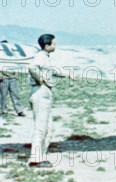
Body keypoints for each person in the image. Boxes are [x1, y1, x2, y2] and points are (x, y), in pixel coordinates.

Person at [28, 34, 74, 167]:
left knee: (49, 128)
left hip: (44, 91)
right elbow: (32, 67)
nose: (55, 46)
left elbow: (53, 70)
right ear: (47, 45)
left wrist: (68, 74)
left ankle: (41, 156)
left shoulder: (45, 58)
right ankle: (35, 159)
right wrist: (41, 79)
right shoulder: (41, 57)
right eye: (53, 44)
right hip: (40, 91)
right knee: (41, 128)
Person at [1, 41, 25, 116]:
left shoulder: (12, 56)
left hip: (12, 78)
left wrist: (16, 75)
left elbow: (16, 65)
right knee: (3, 96)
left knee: (15, 94)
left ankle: (19, 110)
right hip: (3, 79)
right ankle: (3, 110)